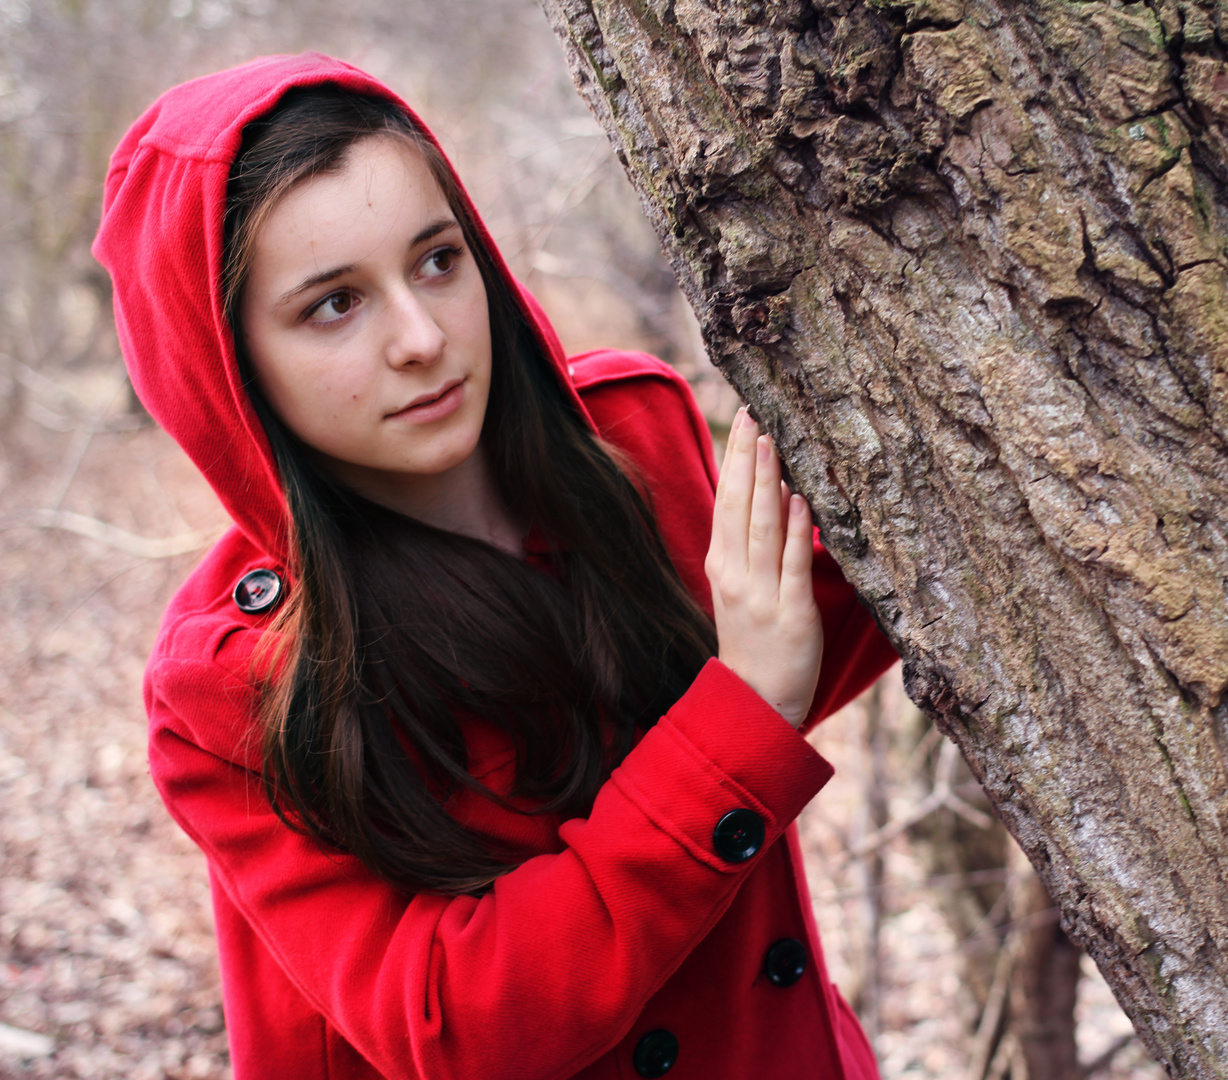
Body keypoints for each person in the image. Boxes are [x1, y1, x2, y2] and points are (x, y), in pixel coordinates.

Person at [93, 53, 896, 1079]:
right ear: (227, 364)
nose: (424, 338)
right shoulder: (236, 687)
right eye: (335, 305)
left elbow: (820, 627)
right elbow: (452, 1023)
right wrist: (740, 709)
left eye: (437, 260)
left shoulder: (629, 445)